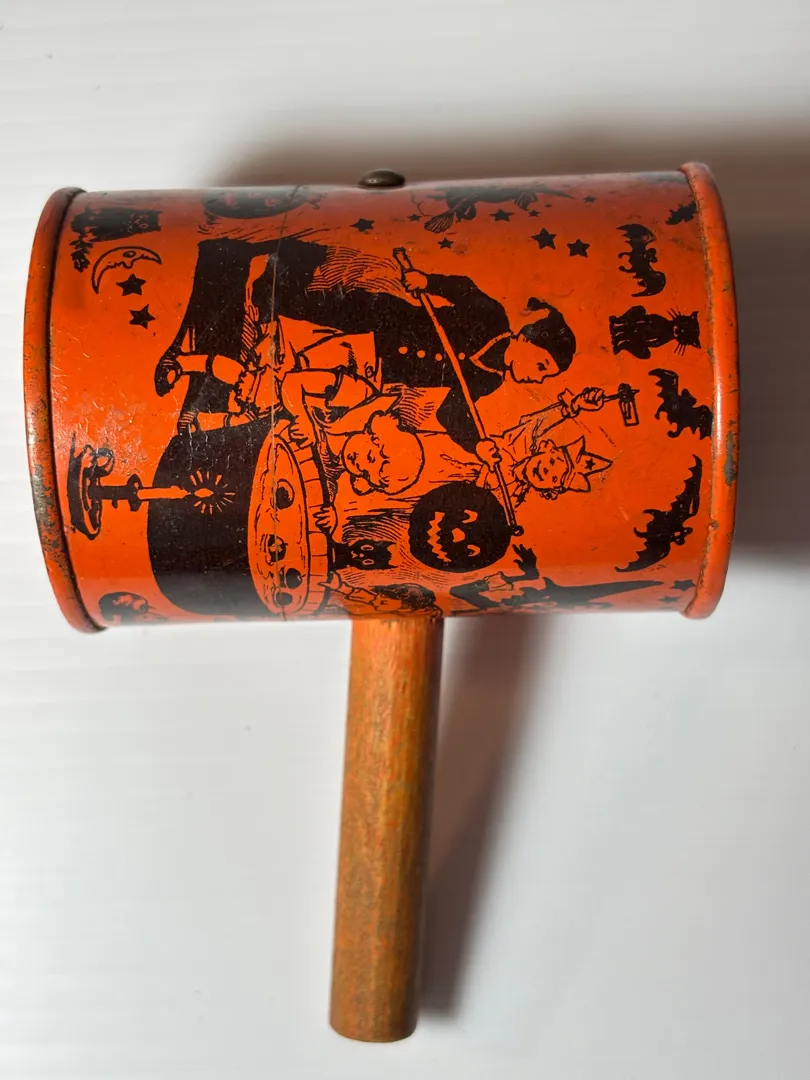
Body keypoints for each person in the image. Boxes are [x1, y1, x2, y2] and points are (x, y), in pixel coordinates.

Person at [475, 387, 611, 504]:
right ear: (545, 448)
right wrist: (574, 406)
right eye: (551, 461)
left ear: (550, 490)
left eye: (554, 478)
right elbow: (539, 422)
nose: (546, 470)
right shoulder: (516, 446)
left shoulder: (515, 496)